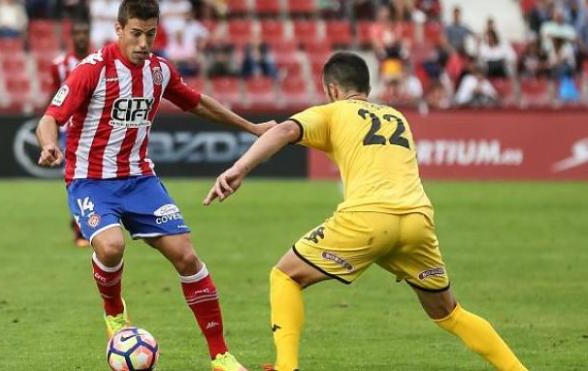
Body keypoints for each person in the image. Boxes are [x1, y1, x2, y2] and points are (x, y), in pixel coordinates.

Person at [204, 51, 528, 371]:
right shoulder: (397, 117)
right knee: (450, 313)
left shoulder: (334, 112)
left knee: (285, 275)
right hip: (417, 221)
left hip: (368, 220)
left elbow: (287, 131)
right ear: (367, 89)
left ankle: (286, 367)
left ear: (332, 90)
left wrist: (239, 168)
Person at [35, 1, 274, 370]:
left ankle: (220, 355)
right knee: (111, 247)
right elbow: (50, 118)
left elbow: (199, 103)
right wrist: (50, 144)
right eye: (136, 33)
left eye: (150, 33)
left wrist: (253, 128)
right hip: (91, 181)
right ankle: (114, 313)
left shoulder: (159, 72)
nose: (144, 42)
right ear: (118, 30)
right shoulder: (92, 70)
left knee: (187, 257)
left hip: (140, 180)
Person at [48, 18, 92, 248]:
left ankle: (85, 224)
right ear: (72, 36)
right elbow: (54, 98)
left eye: (85, 32)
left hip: (95, 129)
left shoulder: (101, 61)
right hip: (70, 132)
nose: (82, 37)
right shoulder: (59, 65)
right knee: (78, 179)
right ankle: (80, 229)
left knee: (93, 179)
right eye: (78, 32)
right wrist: (51, 130)